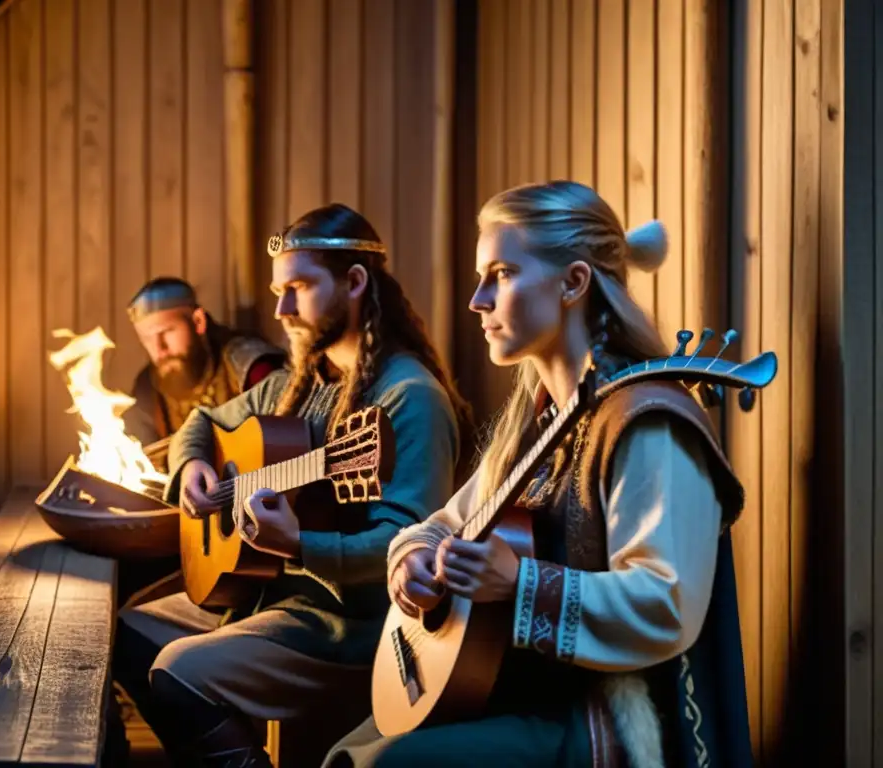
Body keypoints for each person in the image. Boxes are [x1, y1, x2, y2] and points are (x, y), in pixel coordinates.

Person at [323, 180, 753, 768]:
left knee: (386, 764)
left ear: (574, 282)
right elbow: (447, 522)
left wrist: (520, 584)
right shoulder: (537, 420)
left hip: (615, 724)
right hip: (526, 689)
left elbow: (666, 601)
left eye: (500, 274)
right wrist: (414, 563)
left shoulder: (648, 421)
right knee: (347, 753)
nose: (477, 300)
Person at [111, 203, 477, 768]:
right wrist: (191, 469)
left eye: (299, 288)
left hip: (353, 626)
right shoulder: (302, 382)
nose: (281, 310)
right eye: (279, 290)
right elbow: (201, 423)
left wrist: (299, 546)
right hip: (272, 594)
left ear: (355, 283)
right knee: (125, 632)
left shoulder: (411, 398)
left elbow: (408, 542)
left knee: (178, 673)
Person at [122, 276, 286, 452]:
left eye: (167, 331)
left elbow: (282, 437)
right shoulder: (148, 389)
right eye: (147, 339)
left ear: (198, 321)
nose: (159, 349)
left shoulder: (247, 364)